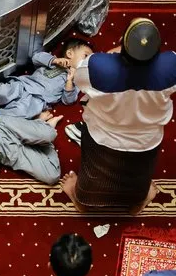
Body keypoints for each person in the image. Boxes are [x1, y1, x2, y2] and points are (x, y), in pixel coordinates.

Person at [60, 18, 176, 215]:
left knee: (93, 173)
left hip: (102, 137)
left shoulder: (97, 67)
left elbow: (80, 81)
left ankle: (80, 200)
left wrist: (114, 55)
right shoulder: (171, 65)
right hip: (146, 140)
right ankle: (137, 203)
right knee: (140, 175)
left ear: (122, 42)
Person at [0, 39, 93, 118]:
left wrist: (69, 81)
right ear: (70, 53)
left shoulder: (77, 81)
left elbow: (68, 100)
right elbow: (36, 57)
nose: (88, 61)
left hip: (39, 100)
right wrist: (54, 61)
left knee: (22, 112)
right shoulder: (54, 60)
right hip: (26, 84)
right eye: (86, 56)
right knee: (3, 90)